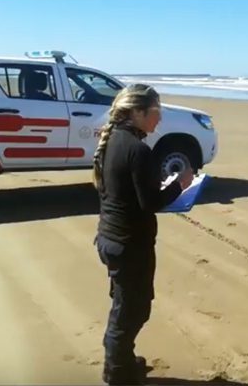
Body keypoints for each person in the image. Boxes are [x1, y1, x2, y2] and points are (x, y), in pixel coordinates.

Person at [92, 84, 193, 385]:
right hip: (128, 244)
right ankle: (117, 372)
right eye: (155, 113)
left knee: (127, 305)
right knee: (131, 310)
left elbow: (128, 191)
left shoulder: (112, 141)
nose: (158, 120)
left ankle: (121, 359)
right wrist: (181, 185)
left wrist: (155, 181)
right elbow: (150, 203)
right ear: (136, 113)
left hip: (111, 239)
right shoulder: (137, 149)